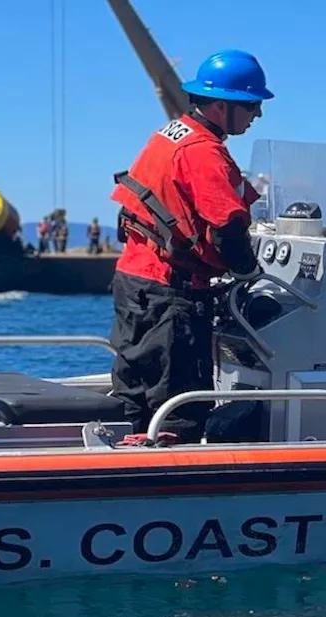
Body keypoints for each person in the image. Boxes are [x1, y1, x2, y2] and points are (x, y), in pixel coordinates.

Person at [107, 49, 274, 442]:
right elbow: (227, 228)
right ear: (220, 106)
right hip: (171, 290)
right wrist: (249, 272)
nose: (257, 116)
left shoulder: (170, 135)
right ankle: (175, 473)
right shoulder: (203, 153)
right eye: (250, 106)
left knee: (136, 382)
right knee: (179, 399)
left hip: (136, 280)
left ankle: (127, 454)